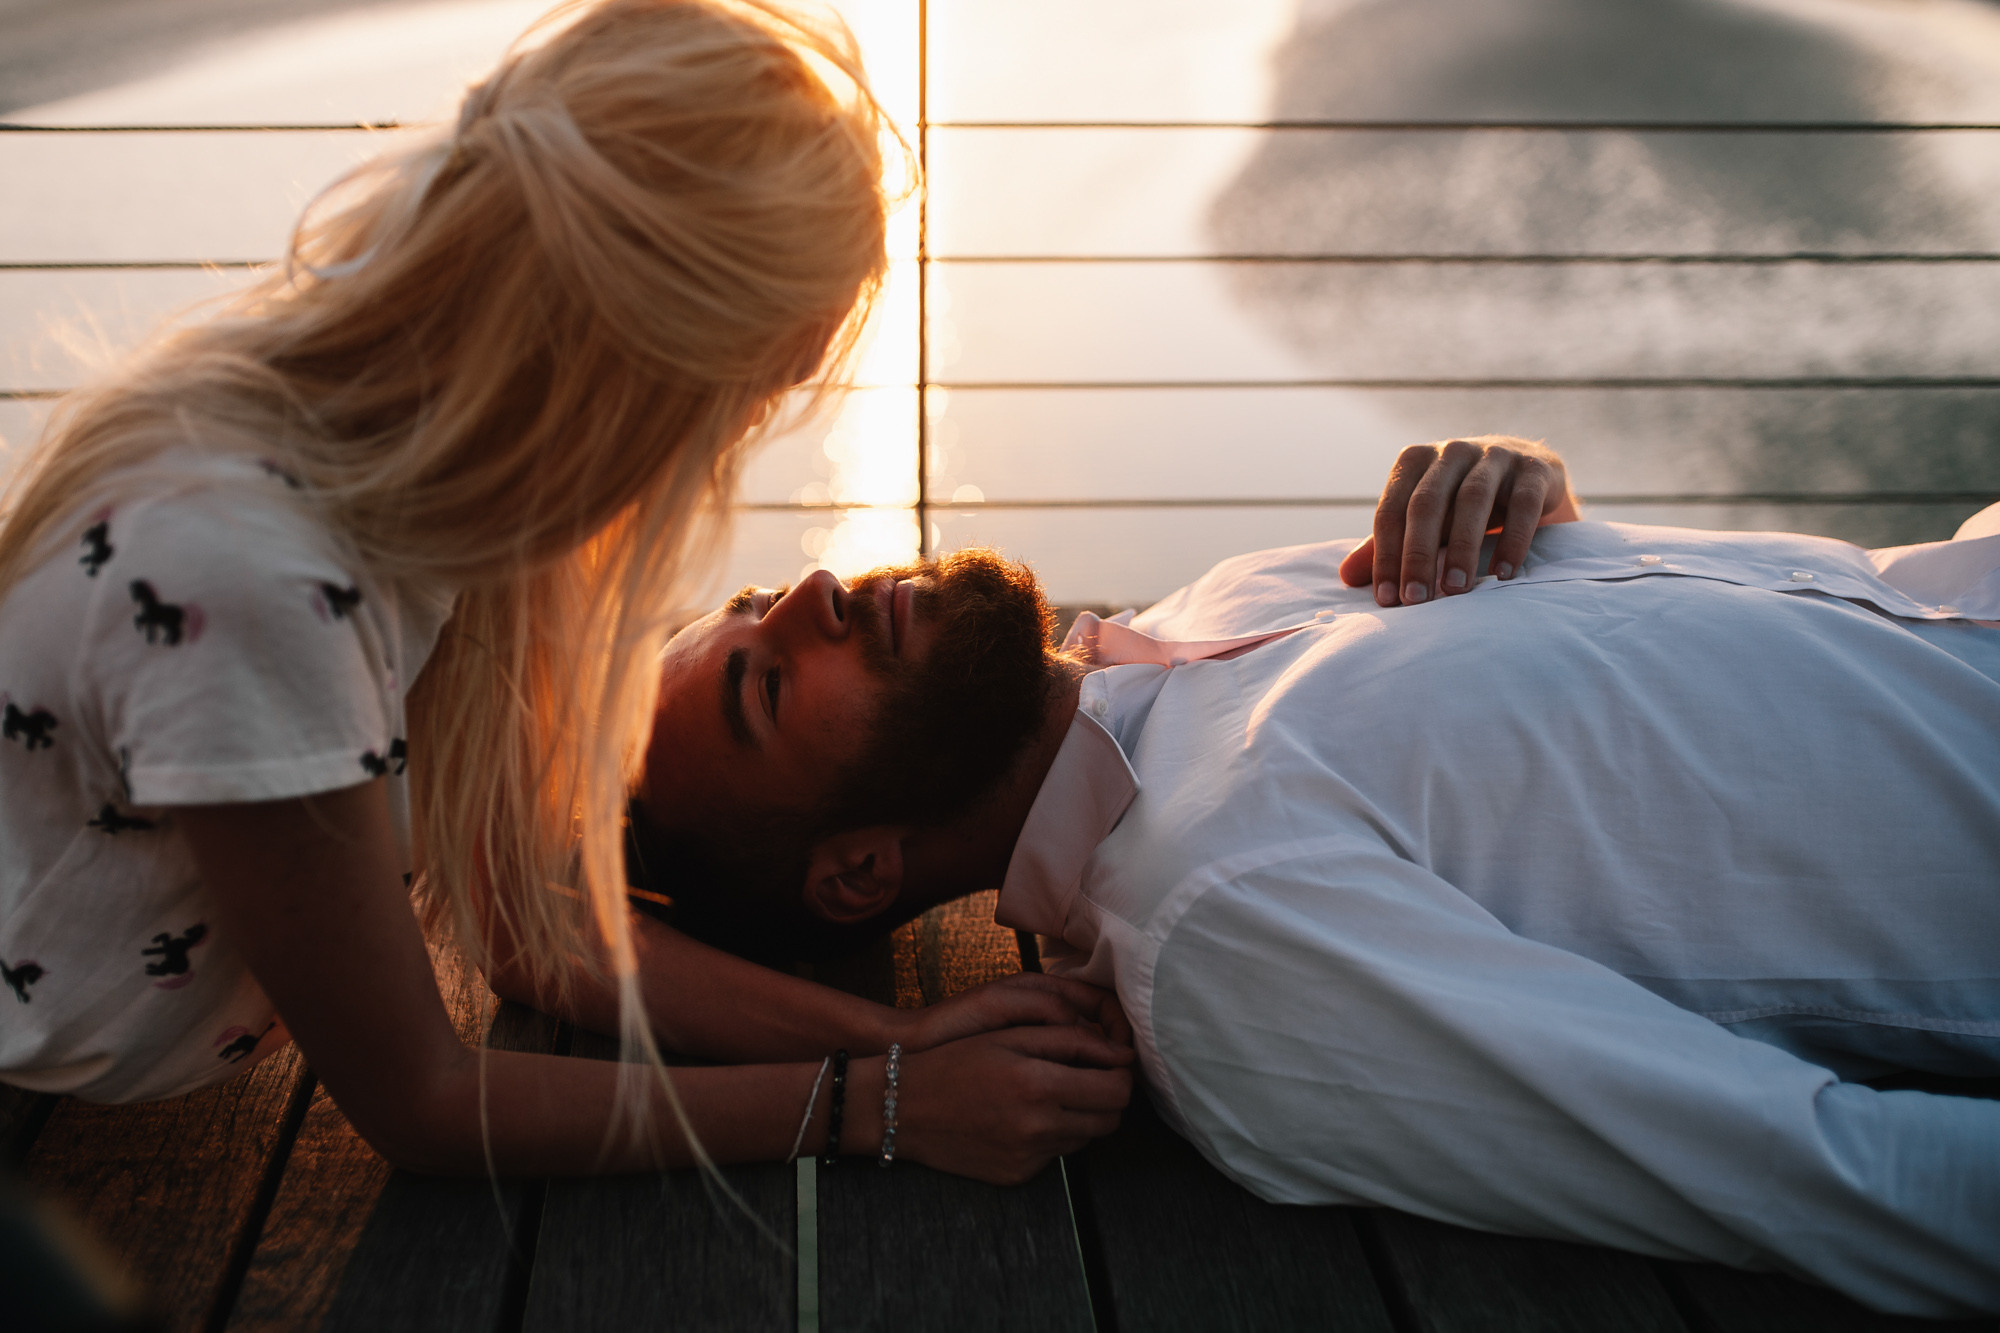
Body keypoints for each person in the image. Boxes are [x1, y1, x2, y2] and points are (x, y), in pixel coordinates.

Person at [0, 0, 1134, 1186]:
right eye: (744, 393)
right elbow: (426, 1105)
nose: (725, 443)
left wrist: (895, 1034)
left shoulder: (437, 424)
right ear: (632, 358)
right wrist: (879, 1106)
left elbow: (532, 926)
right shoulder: (252, 586)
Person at [637, 437, 2000, 1316]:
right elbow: (1830, 1173)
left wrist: (1551, 516)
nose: (812, 586)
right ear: (856, 871)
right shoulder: (1217, 921)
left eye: (752, 603)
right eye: (764, 682)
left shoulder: (1212, 605)